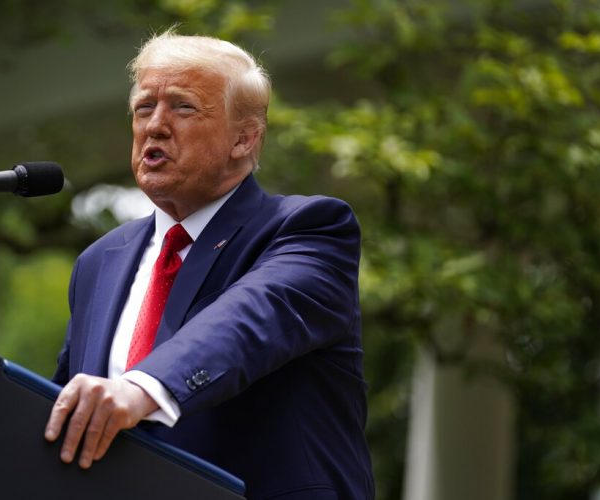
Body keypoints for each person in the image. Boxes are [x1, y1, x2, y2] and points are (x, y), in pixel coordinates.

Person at [45, 29, 374, 500]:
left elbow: (248, 320)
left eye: (182, 107)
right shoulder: (100, 262)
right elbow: (64, 407)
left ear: (244, 139)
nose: (155, 126)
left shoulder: (309, 228)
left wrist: (142, 388)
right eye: (143, 108)